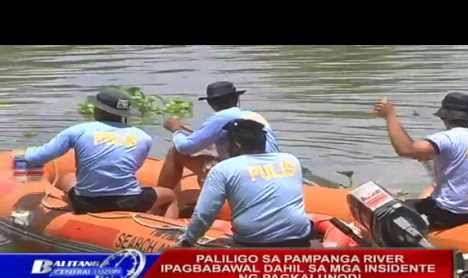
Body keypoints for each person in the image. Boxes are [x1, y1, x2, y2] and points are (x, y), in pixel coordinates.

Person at [18, 88, 178, 217]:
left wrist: (20, 156)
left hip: (87, 202)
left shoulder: (79, 130)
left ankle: (68, 208)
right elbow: (133, 167)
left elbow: (37, 157)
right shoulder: (143, 137)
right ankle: (166, 233)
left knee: (67, 178)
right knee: (170, 195)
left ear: (98, 110)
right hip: (131, 201)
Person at [178, 118, 313, 247]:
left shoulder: (224, 169)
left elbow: (204, 214)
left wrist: (188, 241)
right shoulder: (290, 160)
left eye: (227, 143)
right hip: (299, 237)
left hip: (253, 241)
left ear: (237, 145)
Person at [374, 92, 468, 229]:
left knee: (392, 210)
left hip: (452, 214)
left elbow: (406, 150)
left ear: (443, 117)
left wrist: (390, 116)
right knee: (432, 188)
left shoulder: (447, 138)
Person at [159, 81, 280, 189]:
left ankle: (161, 199)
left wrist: (175, 130)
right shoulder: (254, 116)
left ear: (211, 103)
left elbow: (185, 147)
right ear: (236, 99)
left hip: (246, 174)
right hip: (271, 171)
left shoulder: (221, 117)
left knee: (176, 152)